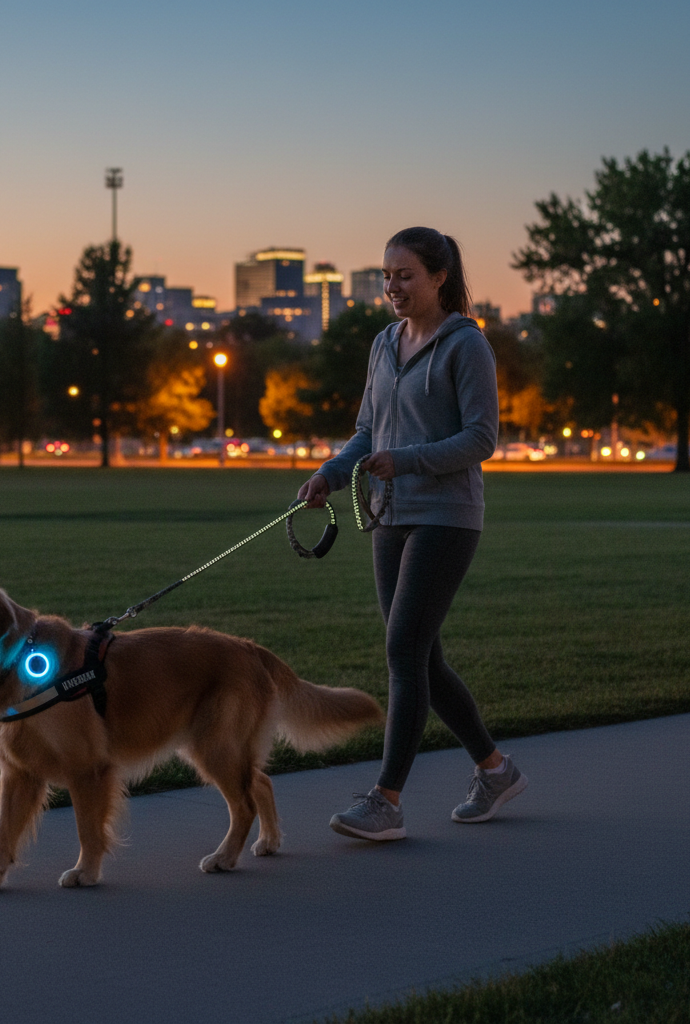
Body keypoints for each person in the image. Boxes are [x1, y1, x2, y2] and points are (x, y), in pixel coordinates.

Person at [298, 226, 527, 841]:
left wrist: (407, 460)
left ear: (438, 277)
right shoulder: (383, 343)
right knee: (424, 656)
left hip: (446, 515)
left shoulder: (467, 345)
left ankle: (387, 801)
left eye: (405, 275)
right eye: (386, 276)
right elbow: (368, 431)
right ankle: (496, 770)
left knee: (403, 650)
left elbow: (481, 438)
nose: (392, 287)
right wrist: (329, 474)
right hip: (388, 515)